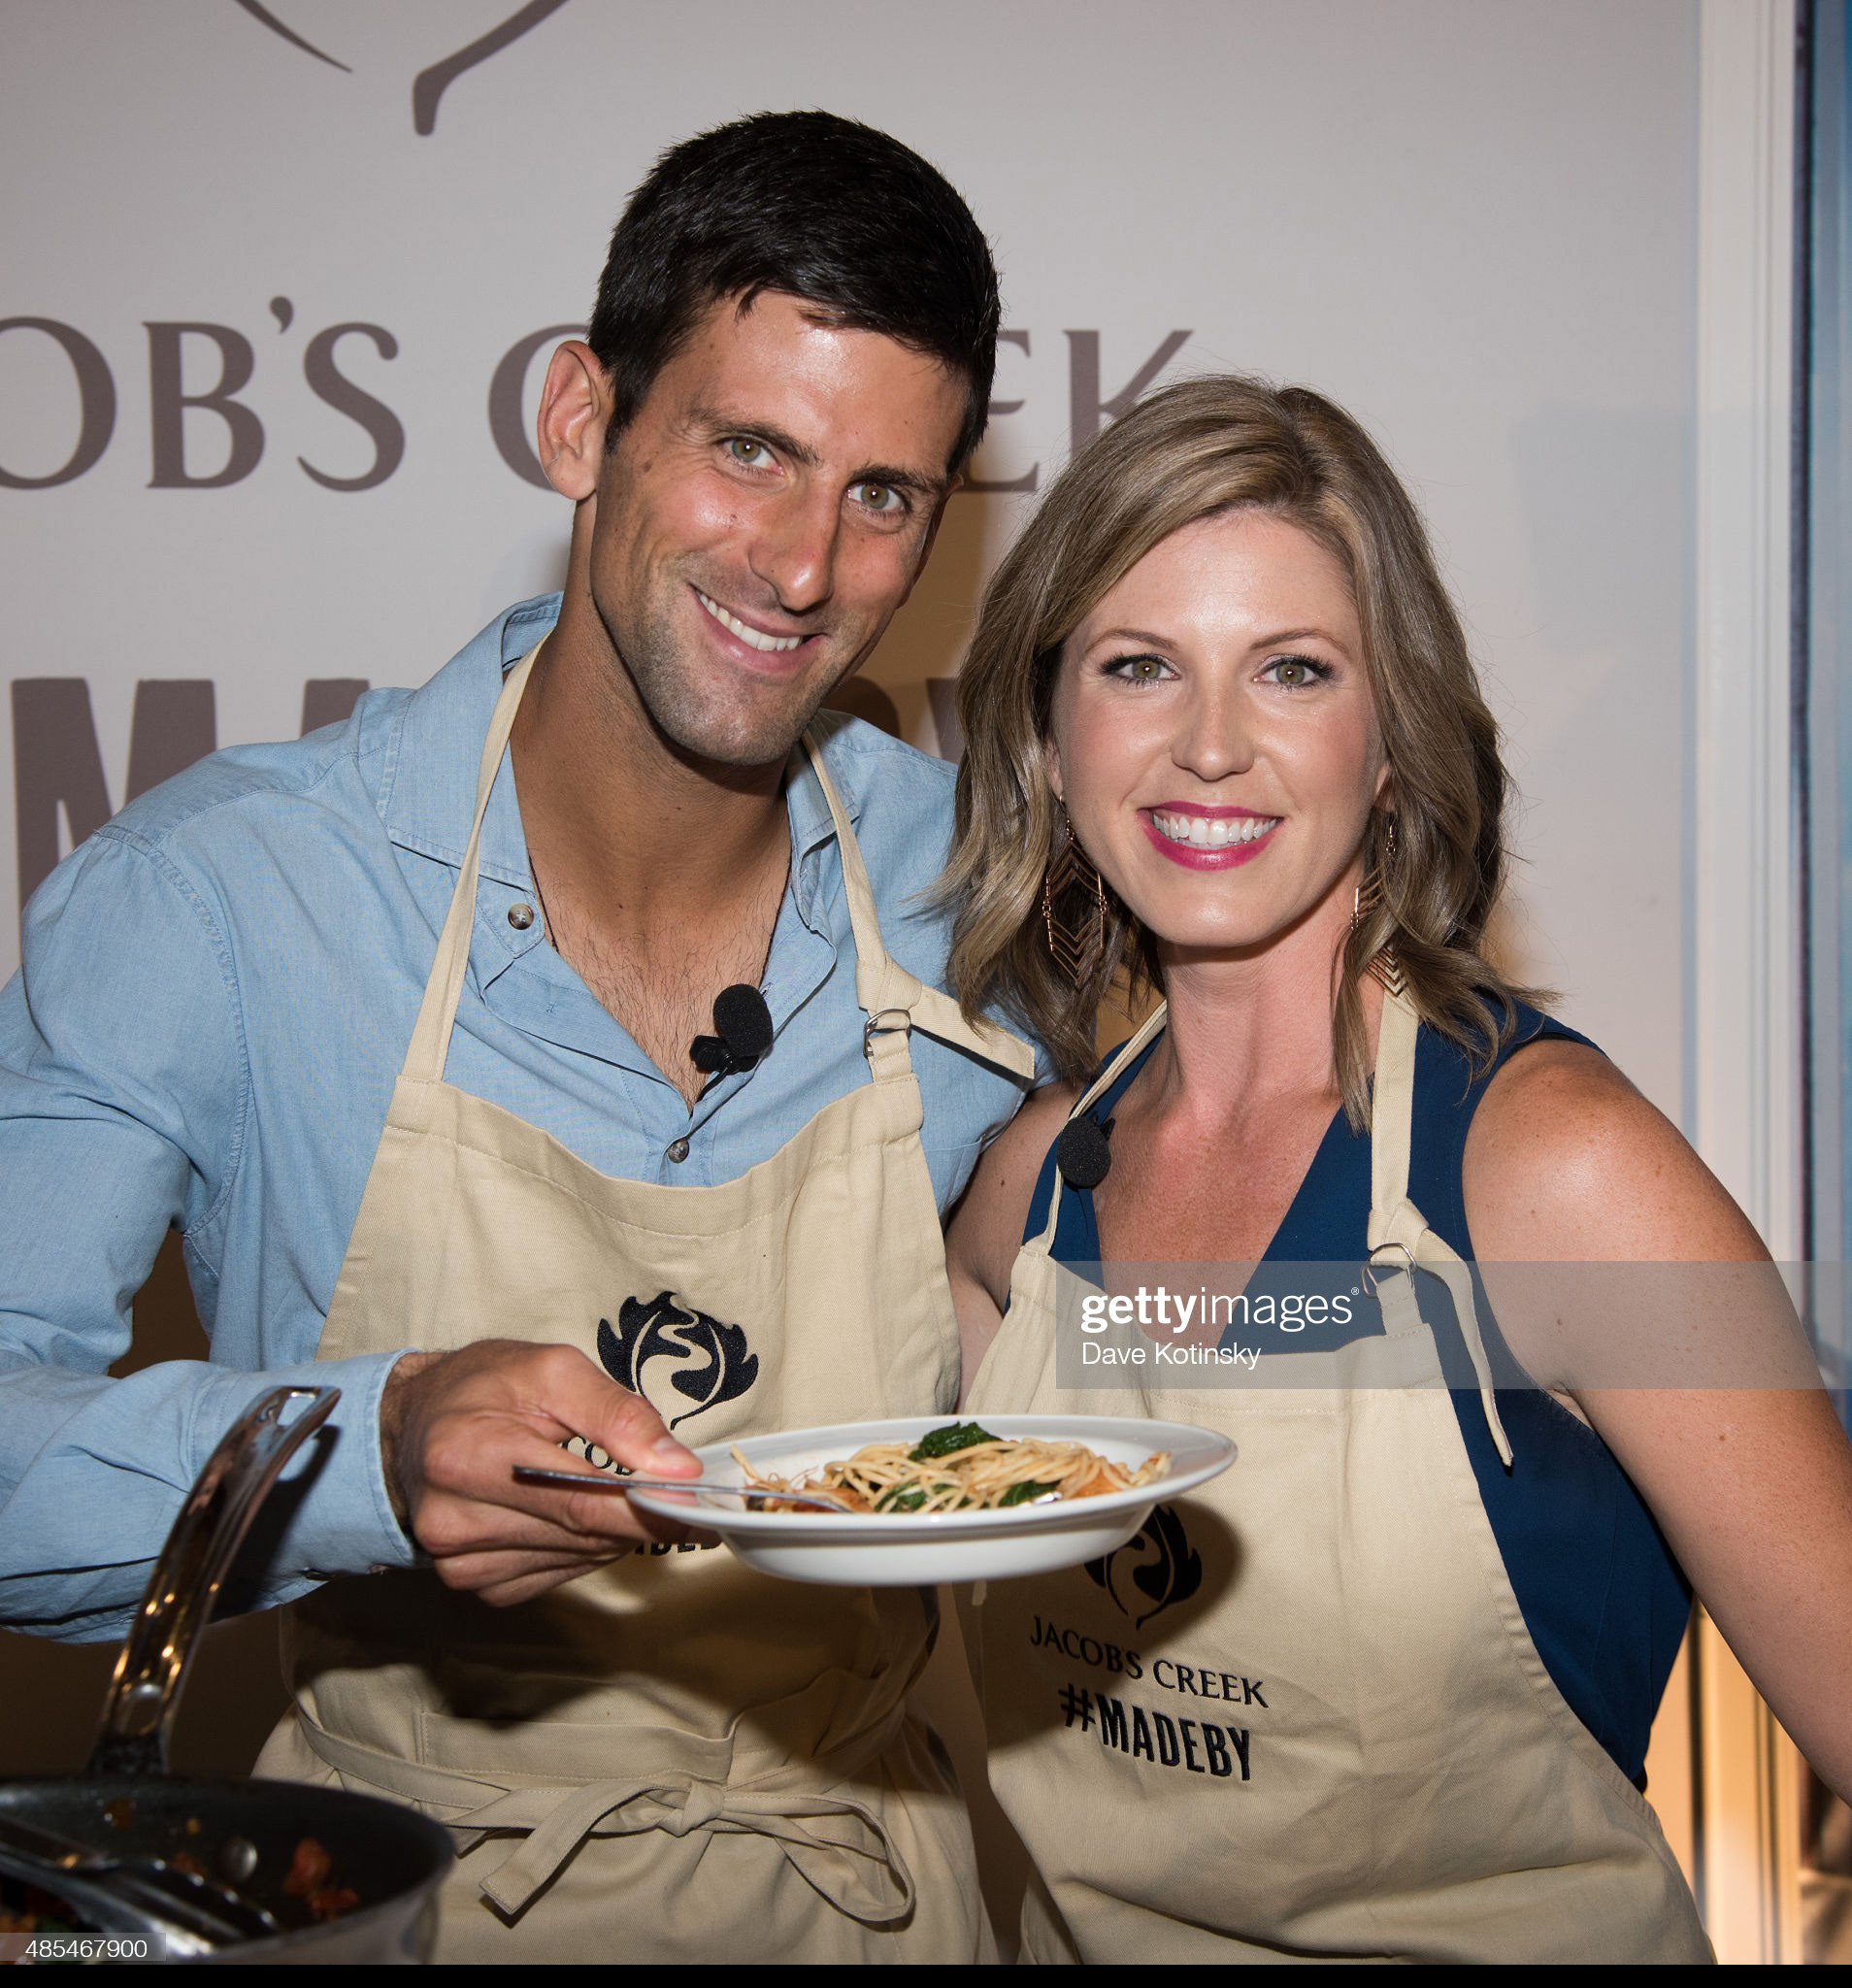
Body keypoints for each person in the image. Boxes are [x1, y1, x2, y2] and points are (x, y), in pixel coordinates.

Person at [0, 112, 1040, 1962]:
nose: (805, 568)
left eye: (885, 494)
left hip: (873, 1899)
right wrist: (361, 1450)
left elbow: (1160, 1310)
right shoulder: (224, 899)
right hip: (407, 1903)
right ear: (583, 421)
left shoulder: (982, 894)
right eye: (749, 450)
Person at [942, 376, 1852, 1962]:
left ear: (1388, 742)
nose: (1209, 746)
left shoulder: (1562, 1179)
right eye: (1140, 667)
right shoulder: (1028, 1207)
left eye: (1291, 670)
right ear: (1049, 735)